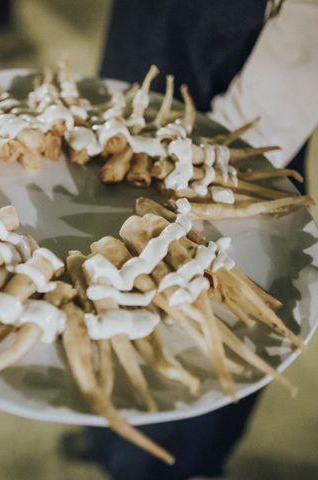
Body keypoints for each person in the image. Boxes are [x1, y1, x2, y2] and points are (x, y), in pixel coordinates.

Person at [61, 1, 318, 479]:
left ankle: (168, 460)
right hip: (141, 51)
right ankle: (106, 433)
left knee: (190, 332)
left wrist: (212, 156)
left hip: (240, 111)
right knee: (95, 290)